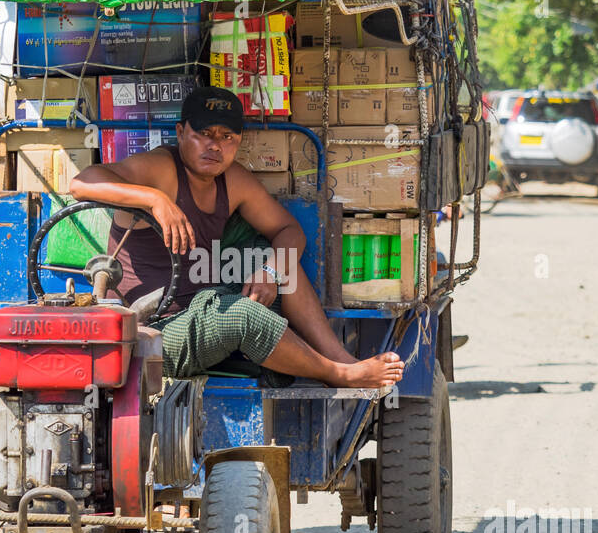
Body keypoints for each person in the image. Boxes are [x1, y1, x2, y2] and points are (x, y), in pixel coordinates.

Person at [69, 86, 403, 389]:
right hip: (156, 332)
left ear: (238, 142)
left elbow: (289, 230)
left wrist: (270, 273)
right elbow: (82, 183)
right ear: (181, 133)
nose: (215, 145)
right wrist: (155, 200)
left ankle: (344, 361)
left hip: (205, 305)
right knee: (239, 314)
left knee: (281, 263)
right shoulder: (160, 168)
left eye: (227, 136)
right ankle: (336, 374)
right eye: (204, 133)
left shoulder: (233, 180)